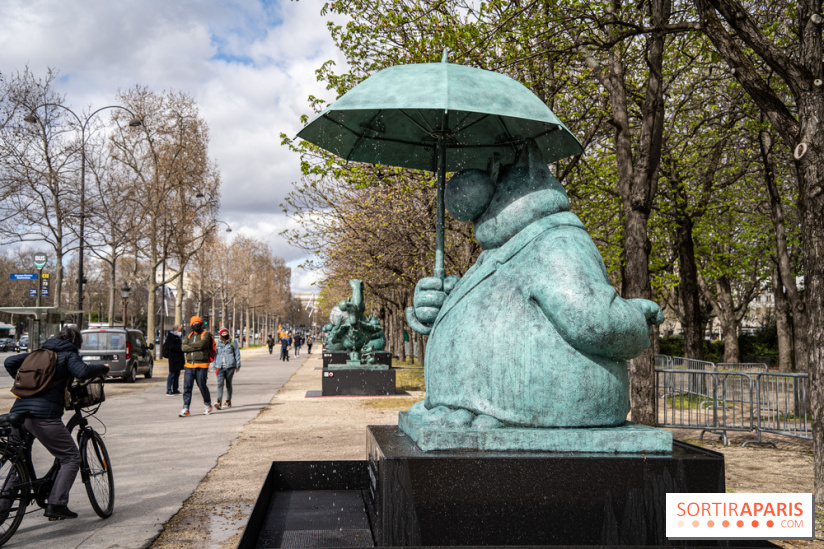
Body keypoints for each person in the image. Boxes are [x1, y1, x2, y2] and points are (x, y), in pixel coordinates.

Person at [3, 325, 109, 520]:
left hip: (17, 413)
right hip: (43, 415)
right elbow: (82, 371)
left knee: (19, 462)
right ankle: (56, 504)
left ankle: (2, 511)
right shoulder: (68, 354)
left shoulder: (37, 354)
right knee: (71, 457)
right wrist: (103, 368)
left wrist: (27, 385)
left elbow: (10, 362)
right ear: (76, 342)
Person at [179, 316, 216, 417]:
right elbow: (183, 348)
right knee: (187, 387)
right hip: (189, 365)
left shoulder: (206, 334)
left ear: (201, 324)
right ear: (191, 325)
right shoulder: (188, 336)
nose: (196, 325)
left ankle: (207, 405)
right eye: (194, 323)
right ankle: (186, 408)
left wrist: (190, 346)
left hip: (202, 365)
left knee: (202, 386)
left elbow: (203, 344)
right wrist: (197, 347)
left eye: (198, 323)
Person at [213, 328, 241, 410]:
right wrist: (214, 366)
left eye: (226, 333)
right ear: (220, 334)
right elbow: (214, 355)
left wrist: (238, 365)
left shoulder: (233, 342)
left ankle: (228, 401)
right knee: (220, 384)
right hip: (219, 367)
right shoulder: (217, 343)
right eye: (223, 333)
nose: (225, 334)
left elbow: (237, 354)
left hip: (230, 367)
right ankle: (219, 402)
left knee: (228, 384)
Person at [164, 324, 184, 395]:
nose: (180, 332)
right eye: (179, 330)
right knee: (172, 373)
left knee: (177, 374)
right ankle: (169, 389)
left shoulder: (179, 337)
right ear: (175, 330)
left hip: (179, 358)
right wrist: (180, 347)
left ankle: (175, 389)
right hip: (173, 358)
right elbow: (171, 347)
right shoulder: (170, 337)